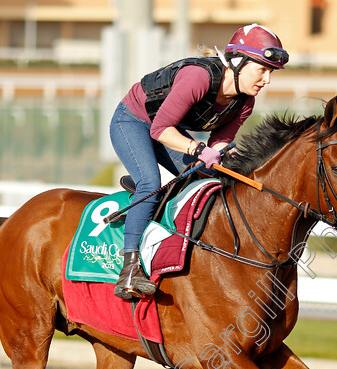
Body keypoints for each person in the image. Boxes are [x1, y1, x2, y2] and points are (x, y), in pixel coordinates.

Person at [110, 23, 289, 300]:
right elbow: (159, 131)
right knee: (150, 181)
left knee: (208, 177)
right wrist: (197, 148)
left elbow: (218, 144)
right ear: (238, 62)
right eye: (262, 69)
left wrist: (219, 154)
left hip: (168, 129)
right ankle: (130, 270)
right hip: (132, 121)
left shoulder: (245, 102)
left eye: (270, 72)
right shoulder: (198, 78)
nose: (266, 80)